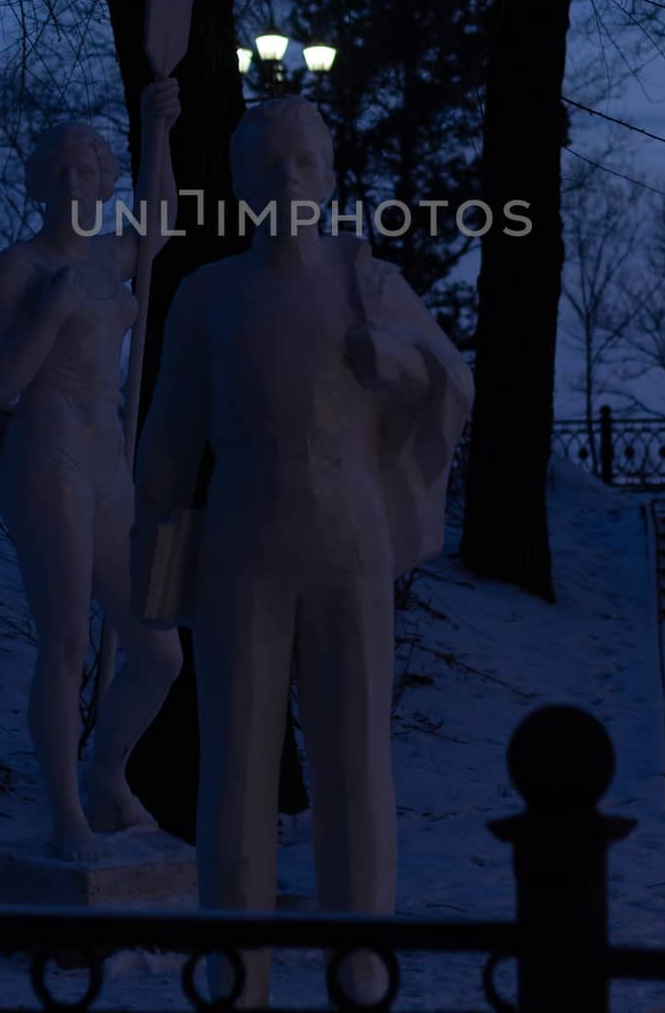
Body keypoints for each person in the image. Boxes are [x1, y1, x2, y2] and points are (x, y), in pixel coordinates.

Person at [132, 96, 474, 1006]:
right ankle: (234, 973)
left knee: (355, 756)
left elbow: (451, 383)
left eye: (305, 164)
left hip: (348, 532)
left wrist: (396, 365)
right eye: (269, 165)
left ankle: (359, 968)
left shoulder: (370, 283)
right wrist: (149, 520)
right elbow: (167, 440)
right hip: (243, 530)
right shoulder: (209, 295)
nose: (288, 179)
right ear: (241, 183)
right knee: (235, 759)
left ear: (330, 177)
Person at [0, 79, 183, 863]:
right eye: (58, 173)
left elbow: (161, 219)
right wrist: (51, 316)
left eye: (88, 172)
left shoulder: (113, 256)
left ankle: (105, 776)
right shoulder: (18, 270)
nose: (74, 184)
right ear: (36, 184)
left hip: (106, 459)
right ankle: (67, 816)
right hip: (47, 450)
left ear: (104, 183)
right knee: (65, 641)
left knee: (159, 650)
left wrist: (160, 129)